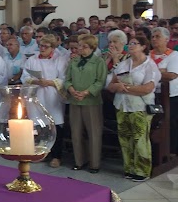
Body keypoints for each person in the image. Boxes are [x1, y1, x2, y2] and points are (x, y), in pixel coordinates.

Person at [107, 36, 161, 181]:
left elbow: (147, 88)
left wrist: (125, 88)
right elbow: (111, 86)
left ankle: (142, 171)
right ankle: (129, 168)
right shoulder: (124, 64)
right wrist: (117, 87)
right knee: (125, 138)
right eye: (129, 43)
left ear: (143, 46)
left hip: (140, 107)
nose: (130, 46)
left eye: (134, 43)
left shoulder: (149, 65)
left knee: (139, 138)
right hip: (122, 105)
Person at [21, 34, 68, 168]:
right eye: (40, 45)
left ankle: (56, 156)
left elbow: (64, 79)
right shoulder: (33, 60)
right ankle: (42, 153)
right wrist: (36, 81)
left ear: (53, 48)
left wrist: (50, 82)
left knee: (55, 125)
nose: (42, 48)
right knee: (39, 126)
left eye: (45, 46)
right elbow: (25, 76)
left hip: (53, 96)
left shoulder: (60, 60)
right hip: (37, 95)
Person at [64, 34, 107, 173]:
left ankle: (94, 163)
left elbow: (100, 81)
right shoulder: (74, 61)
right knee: (76, 132)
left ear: (92, 47)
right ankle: (79, 161)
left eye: (84, 46)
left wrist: (86, 92)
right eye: (79, 46)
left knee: (94, 133)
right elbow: (67, 79)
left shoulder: (99, 62)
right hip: (75, 100)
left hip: (91, 101)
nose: (80, 49)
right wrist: (71, 89)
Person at [150, 27, 178, 156]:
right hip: (151, 95)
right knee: (154, 122)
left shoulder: (174, 55)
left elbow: (172, 75)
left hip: (170, 96)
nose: (154, 39)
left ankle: (172, 150)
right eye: (153, 37)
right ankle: (155, 151)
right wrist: (161, 71)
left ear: (166, 39)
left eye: (157, 36)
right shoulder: (147, 55)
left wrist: (153, 72)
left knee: (170, 123)